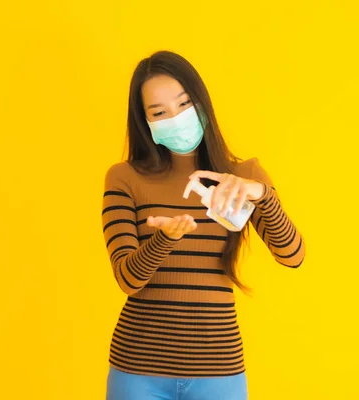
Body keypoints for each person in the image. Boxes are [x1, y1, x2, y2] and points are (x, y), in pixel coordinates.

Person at [101, 50, 306, 400]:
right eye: (159, 112)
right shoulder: (124, 178)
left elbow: (293, 255)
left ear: (201, 102)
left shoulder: (242, 177)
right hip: (137, 370)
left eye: (183, 104)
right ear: (145, 122)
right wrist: (163, 239)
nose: (176, 117)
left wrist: (262, 194)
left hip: (219, 370)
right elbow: (127, 279)